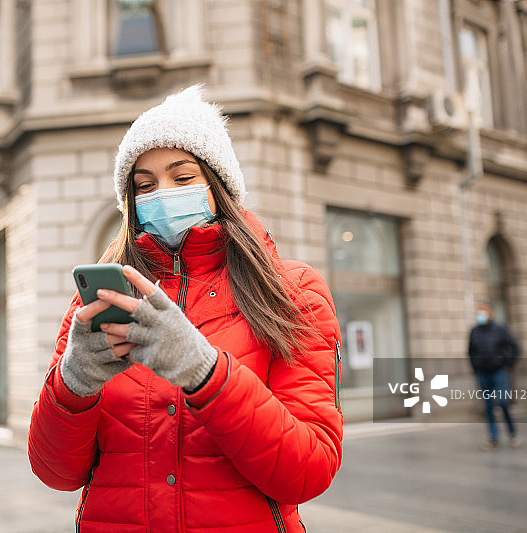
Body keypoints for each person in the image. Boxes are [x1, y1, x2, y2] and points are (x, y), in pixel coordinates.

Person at [28, 86, 343, 532]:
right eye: (144, 185)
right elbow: (56, 474)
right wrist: (71, 386)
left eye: (183, 177)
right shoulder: (96, 303)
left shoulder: (293, 291)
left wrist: (205, 372)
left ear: (218, 186)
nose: (162, 194)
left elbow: (309, 470)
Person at [467, 303, 521, 450]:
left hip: (499, 372)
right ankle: (493, 437)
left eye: (483, 313)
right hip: (483, 373)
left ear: (490, 314)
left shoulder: (500, 329)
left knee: (503, 402)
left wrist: (507, 365)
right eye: (479, 313)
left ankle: (512, 432)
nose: (481, 316)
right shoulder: (474, 331)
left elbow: (515, 348)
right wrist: (475, 367)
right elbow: (470, 351)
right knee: (488, 406)